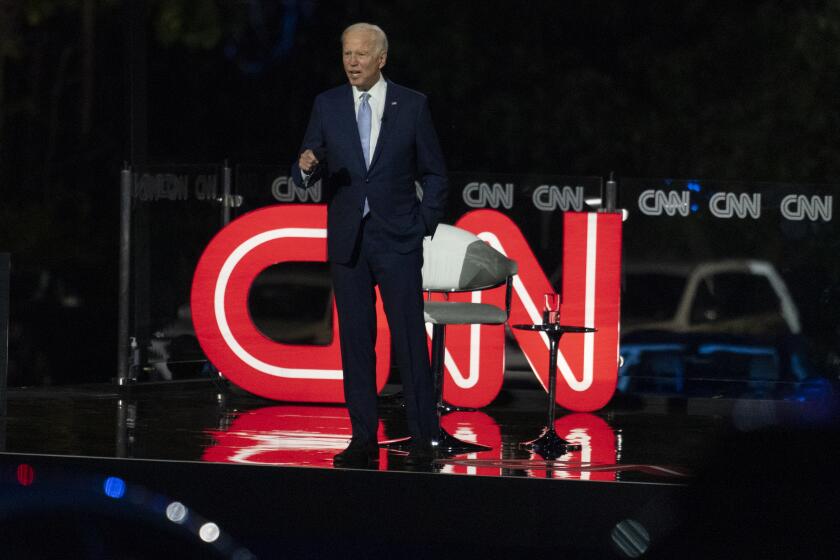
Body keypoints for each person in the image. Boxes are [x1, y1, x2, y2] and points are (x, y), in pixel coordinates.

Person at [291, 23, 448, 467]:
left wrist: (423, 224)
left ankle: (424, 435)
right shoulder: (327, 105)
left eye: (361, 54)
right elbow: (306, 165)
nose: (353, 62)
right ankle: (363, 438)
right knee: (357, 344)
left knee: (409, 341)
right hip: (348, 242)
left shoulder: (412, 106)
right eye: (347, 54)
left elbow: (435, 174)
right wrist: (305, 167)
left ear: (381, 58)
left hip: (397, 239)